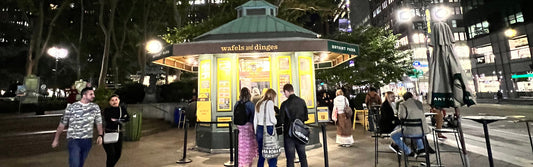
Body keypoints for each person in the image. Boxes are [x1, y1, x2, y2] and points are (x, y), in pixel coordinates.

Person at [51, 87, 103, 167]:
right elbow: (62, 124)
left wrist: (100, 135)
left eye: (93, 94)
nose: (94, 96)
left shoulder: (95, 107)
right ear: (84, 95)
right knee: (74, 163)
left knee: (80, 163)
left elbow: (99, 123)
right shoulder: (71, 107)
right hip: (74, 139)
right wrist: (56, 139)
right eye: (91, 94)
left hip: (87, 140)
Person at [390, 92, 429, 157]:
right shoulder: (419, 103)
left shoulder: (403, 104)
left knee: (393, 135)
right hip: (423, 131)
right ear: (412, 97)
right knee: (417, 130)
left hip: (409, 131)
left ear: (404, 99)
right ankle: (421, 149)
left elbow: (402, 117)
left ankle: (408, 151)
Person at [280, 84, 308, 167]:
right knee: (303, 156)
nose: (284, 94)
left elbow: (281, 120)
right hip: (300, 132)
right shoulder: (302, 101)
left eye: (284, 93)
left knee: (290, 159)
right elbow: (306, 117)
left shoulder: (284, 104)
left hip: (289, 134)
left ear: (286, 91)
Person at [102, 94, 130, 167]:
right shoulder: (107, 110)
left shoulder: (122, 109)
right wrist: (120, 119)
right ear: (109, 102)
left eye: (116, 100)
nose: (114, 102)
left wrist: (117, 119)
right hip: (108, 133)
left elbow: (127, 119)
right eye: (112, 100)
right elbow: (109, 119)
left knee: (118, 154)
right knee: (111, 154)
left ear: (119, 100)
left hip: (118, 133)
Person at [254, 88, 278, 167]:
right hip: (268, 129)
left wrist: (255, 131)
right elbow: (272, 119)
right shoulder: (270, 103)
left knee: (262, 154)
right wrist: (276, 121)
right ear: (272, 96)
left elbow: (255, 120)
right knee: (272, 153)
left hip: (259, 129)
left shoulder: (258, 103)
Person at [235, 88, 257, 167]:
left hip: (240, 128)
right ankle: (249, 163)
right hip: (249, 128)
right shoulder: (250, 104)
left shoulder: (237, 104)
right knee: (249, 147)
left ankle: (241, 163)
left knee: (241, 146)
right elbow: (254, 117)